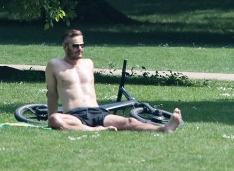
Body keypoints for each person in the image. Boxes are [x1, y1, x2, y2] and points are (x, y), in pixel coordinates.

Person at [45, 29, 183, 133]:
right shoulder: (54, 65)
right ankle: (94, 130)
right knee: (54, 119)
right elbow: (52, 94)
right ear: (65, 46)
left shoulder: (88, 63)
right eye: (75, 46)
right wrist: (51, 119)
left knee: (129, 121)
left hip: (97, 112)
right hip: (74, 115)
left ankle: (164, 129)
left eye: (82, 45)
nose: (80, 48)